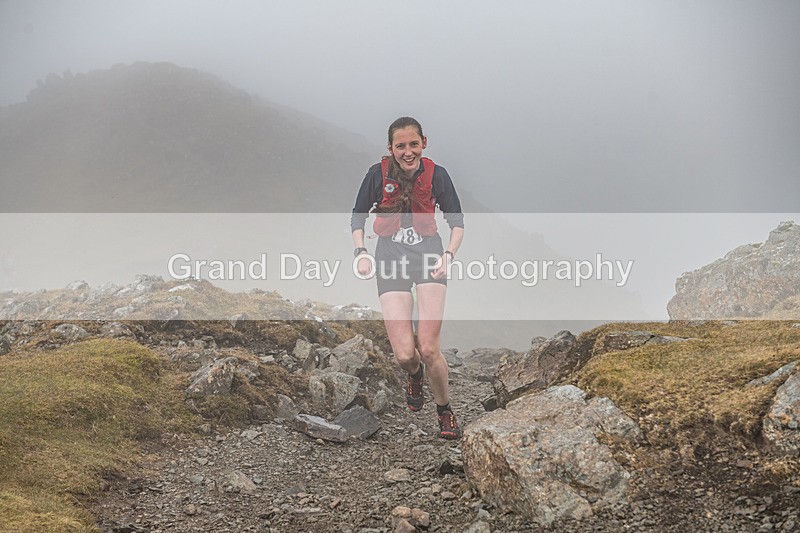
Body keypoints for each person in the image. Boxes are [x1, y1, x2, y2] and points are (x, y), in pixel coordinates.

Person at [350, 117, 465, 439]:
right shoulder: (377, 175)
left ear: (423, 143)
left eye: (413, 144)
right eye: (401, 146)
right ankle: (414, 374)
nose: (408, 151)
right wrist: (360, 252)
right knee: (405, 355)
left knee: (429, 349)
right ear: (391, 149)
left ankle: (444, 410)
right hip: (389, 259)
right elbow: (357, 217)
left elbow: (457, 222)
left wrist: (448, 255)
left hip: (429, 258)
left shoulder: (437, 175)